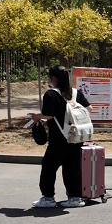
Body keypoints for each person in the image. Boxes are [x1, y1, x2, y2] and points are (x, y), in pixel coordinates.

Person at [30, 65, 91, 208]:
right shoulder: (75, 93)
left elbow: (49, 115)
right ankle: (75, 198)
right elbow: (89, 108)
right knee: (71, 169)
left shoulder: (51, 94)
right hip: (76, 138)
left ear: (53, 78)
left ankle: (48, 198)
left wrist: (37, 116)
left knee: (48, 168)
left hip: (58, 139)